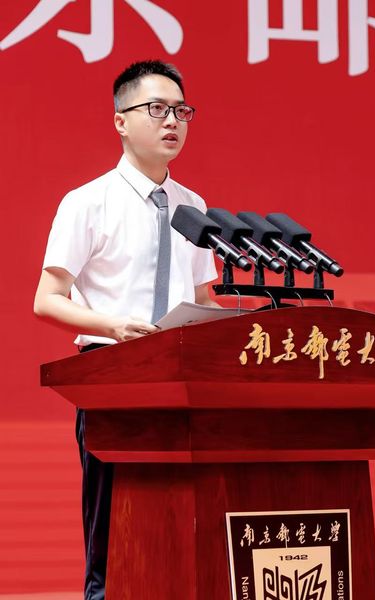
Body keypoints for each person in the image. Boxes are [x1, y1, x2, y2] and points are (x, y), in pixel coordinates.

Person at [33, 60, 218, 600]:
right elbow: (47, 299)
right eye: (157, 109)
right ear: (120, 121)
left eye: (181, 111)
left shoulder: (194, 206)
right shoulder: (88, 202)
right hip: (112, 377)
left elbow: (202, 297)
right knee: (114, 524)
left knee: (183, 516)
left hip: (182, 383)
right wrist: (114, 326)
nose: (172, 121)